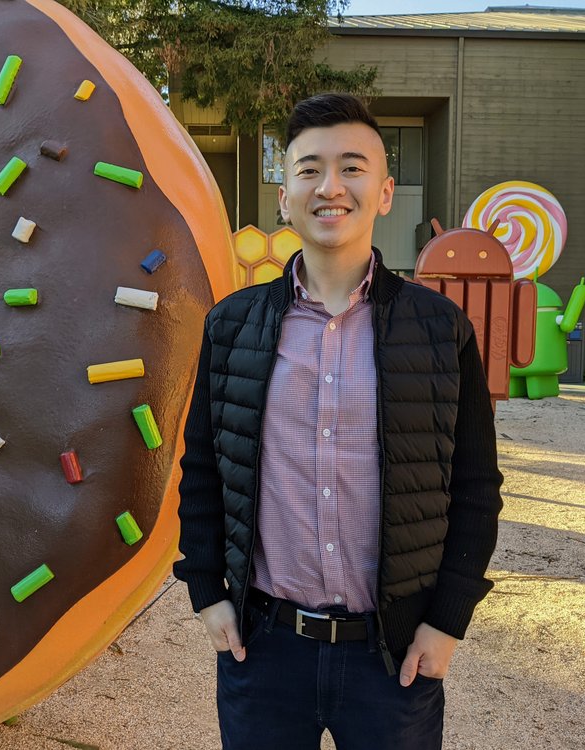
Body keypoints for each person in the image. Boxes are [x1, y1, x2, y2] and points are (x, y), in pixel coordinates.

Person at [173, 92, 503, 749]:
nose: (331, 186)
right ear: (284, 196)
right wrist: (208, 590)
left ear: (383, 193)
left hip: (393, 655)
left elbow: (473, 485)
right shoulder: (233, 327)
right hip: (264, 650)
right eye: (309, 169)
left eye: (352, 167)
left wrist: (448, 620)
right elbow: (206, 467)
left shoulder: (439, 330)